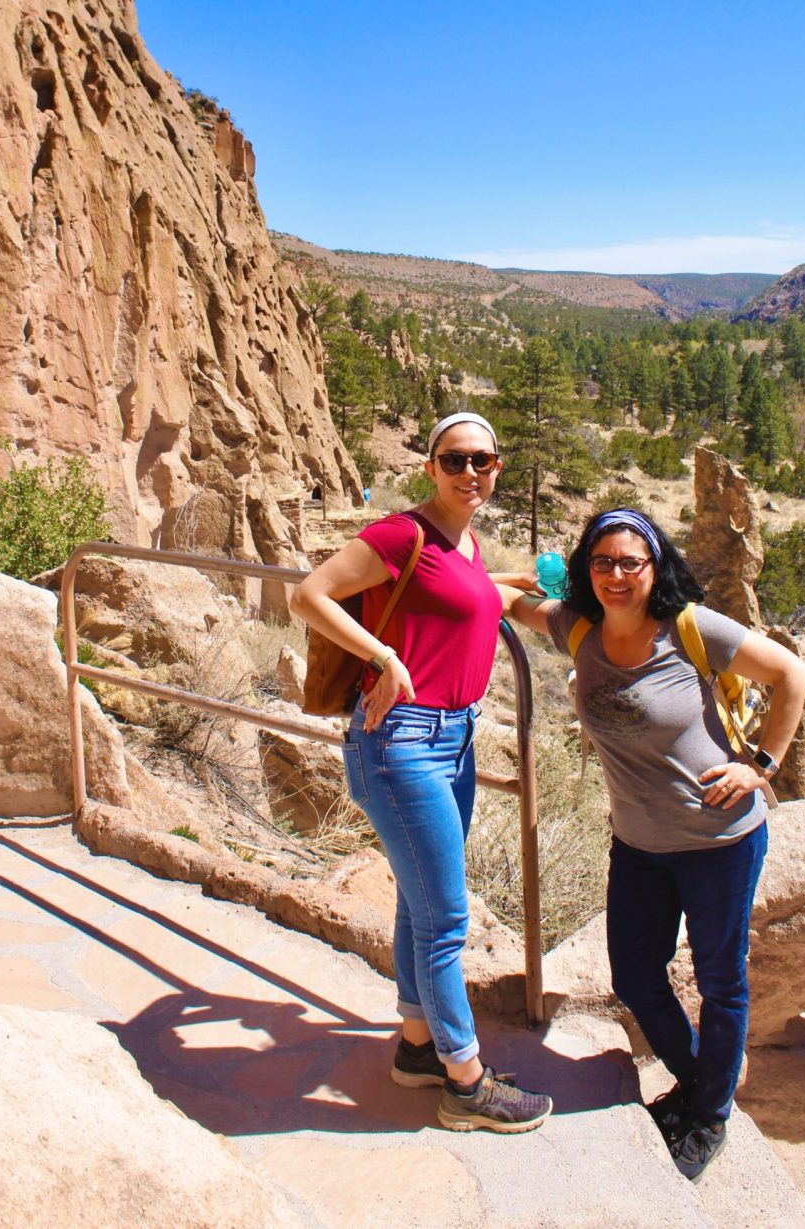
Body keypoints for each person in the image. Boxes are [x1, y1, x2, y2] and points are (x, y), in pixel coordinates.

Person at [500, 507, 805, 1180]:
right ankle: (702, 1083)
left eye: (629, 562)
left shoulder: (690, 628)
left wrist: (760, 764)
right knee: (636, 975)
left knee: (722, 980)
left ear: (654, 566)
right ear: (587, 569)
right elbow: (499, 597)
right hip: (638, 843)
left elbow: (793, 676)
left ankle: (708, 1114)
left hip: (719, 839)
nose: (615, 574)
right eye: (601, 561)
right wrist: (505, 574)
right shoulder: (575, 627)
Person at [290, 412, 552, 1134]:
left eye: (486, 460)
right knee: (445, 921)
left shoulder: (464, 543)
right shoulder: (402, 533)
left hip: (455, 739)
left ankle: (415, 1045)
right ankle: (467, 1081)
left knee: (419, 902)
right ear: (431, 465)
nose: (474, 471)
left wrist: (535, 591)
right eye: (458, 458)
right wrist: (384, 656)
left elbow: (475, 594)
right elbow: (306, 594)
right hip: (401, 740)